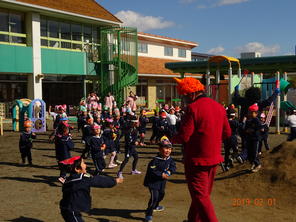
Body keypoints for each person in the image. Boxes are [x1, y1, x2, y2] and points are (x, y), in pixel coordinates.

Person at [171, 77, 231, 222]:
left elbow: (184, 136)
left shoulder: (193, 108)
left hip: (196, 160)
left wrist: (169, 139)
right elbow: (227, 133)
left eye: (184, 96)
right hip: (214, 157)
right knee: (202, 195)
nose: (184, 100)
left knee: (200, 196)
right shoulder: (219, 107)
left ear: (191, 94)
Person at [60, 156, 123, 222]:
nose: (85, 165)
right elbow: (99, 181)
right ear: (77, 169)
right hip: (71, 210)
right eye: (83, 163)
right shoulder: (82, 179)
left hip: (70, 208)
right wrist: (114, 181)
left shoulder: (71, 179)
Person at [144, 137, 176, 222]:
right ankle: (148, 214)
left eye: (169, 149)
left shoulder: (170, 159)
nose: (168, 151)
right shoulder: (155, 160)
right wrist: (161, 174)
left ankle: (155, 206)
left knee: (161, 195)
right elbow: (152, 170)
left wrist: (169, 172)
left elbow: (173, 166)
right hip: (153, 182)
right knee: (154, 198)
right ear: (160, 149)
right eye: (166, 148)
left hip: (162, 182)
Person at [242, 103, 263, 173]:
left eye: (252, 113)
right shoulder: (248, 120)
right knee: (249, 153)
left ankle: (258, 164)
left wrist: (253, 130)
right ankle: (253, 163)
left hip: (255, 139)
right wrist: (246, 130)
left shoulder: (256, 120)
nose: (250, 114)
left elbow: (260, 127)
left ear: (256, 113)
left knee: (254, 153)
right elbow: (245, 129)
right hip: (249, 139)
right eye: (249, 112)